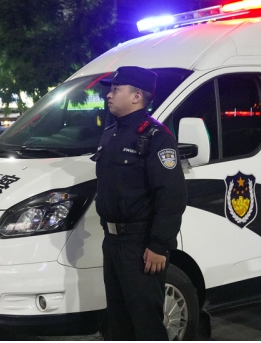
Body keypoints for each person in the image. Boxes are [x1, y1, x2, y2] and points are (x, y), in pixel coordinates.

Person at [92, 66, 187, 340]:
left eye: (115, 89)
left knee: (145, 322)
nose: (109, 95)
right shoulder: (111, 133)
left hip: (140, 243)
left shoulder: (156, 137)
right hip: (112, 241)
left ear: (136, 97)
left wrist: (158, 245)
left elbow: (172, 195)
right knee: (118, 321)